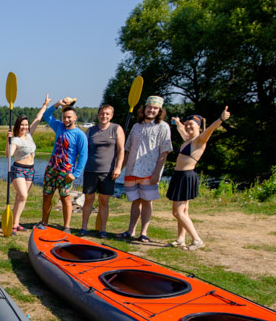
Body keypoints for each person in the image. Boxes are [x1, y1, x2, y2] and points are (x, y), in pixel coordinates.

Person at [167, 106, 231, 250]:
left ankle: (197, 240)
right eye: (187, 123)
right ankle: (180, 239)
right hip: (180, 176)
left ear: (199, 126)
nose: (188, 126)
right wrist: (178, 122)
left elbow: (210, 129)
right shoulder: (188, 140)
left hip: (185, 176)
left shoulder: (200, 140)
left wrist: (220, 119)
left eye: (192, 124)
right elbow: (181, 130)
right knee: (183, 212)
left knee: (177, 212)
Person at [119, 95, 172, 242]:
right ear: (144, 108)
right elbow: (128, 149)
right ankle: (131, 231)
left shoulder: (163, 127)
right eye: (149, 107)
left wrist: (157, 173)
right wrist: (119, 168)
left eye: (155, 108)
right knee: (135, 201)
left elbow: (164, 152)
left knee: (147, 201)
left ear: (159, 110)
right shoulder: (136, 126)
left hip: (149, 171)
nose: (152, 110)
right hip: (132, 170)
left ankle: (144, 232)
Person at [37, 96, 88, 230]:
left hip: (66, 172)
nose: (66, 120)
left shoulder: (80, 135)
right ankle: (44, 222)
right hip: (52, 169)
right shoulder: (59, 127)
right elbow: (46, 115)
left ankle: (66, 226)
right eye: (65, 117)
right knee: (47, 196)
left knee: (65, 198)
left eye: (69, 117)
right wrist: (57, 104)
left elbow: (83, 156)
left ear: (75, 117)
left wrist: (75, 174)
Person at [79, 104, 126, 237]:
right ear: (98, 114)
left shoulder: (116, 129)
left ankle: (102, 230)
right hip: (90, 170)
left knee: (104, 201)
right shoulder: (90, 131)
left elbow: (121, 149)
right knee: (88, 199)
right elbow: (83, 150)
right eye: (102, 113)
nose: (104, 116)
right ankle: (84, 228)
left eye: (107, 114)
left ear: (111, 116)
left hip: (108, 171)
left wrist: (118, 167)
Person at [5, 113, 37, 233]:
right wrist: (8, 141)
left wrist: (45, 105)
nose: (24, 127)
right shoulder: (15, 140)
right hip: (19, 169)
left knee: (20, 198)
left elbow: (37, 119)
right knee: (23, 195)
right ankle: (14, 224)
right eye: (22, 125)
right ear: (18, 126)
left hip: (30, 170)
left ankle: (15, 223)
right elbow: (9, 155)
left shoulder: (29, 135)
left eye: (26, 125)